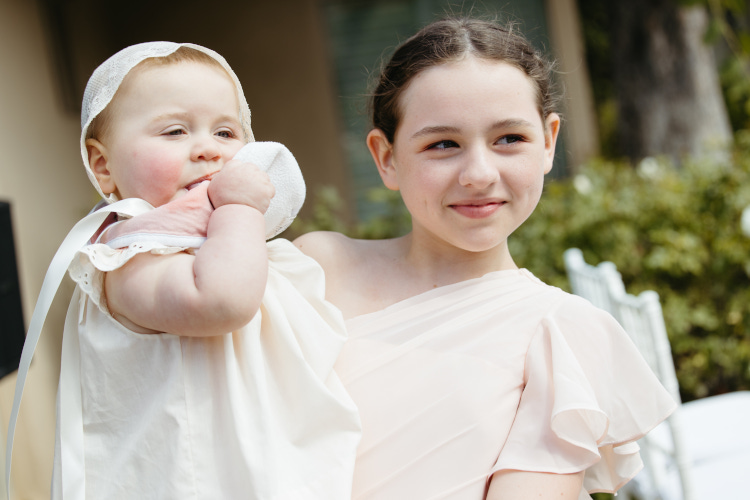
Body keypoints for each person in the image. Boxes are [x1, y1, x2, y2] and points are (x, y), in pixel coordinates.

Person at [295, 17, 677, 500]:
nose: (478, 173)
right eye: (442, 144)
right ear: (386, 157)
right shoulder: (317, 269)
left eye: (509, 139)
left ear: (548, 142)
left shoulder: (561, 334)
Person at [5, 42, 360, 500]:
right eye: (175, 131)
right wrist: (237, 205)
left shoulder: (240, 247)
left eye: (227, 133)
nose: (209, 149)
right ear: (103, 165)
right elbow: (223, 301)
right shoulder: (129, 262)